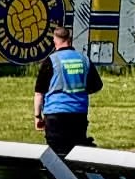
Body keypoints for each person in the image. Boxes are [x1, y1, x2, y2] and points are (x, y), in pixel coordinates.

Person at [33, 24, 102, 155]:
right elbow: (96, 86)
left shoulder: (51, 61)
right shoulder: (84, 59)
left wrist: (38, 117)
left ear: (55, 40)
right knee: (75, 154)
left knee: (57, 156)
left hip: (55, 116)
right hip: (78, 115)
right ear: (70, 40)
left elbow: (39, 93)